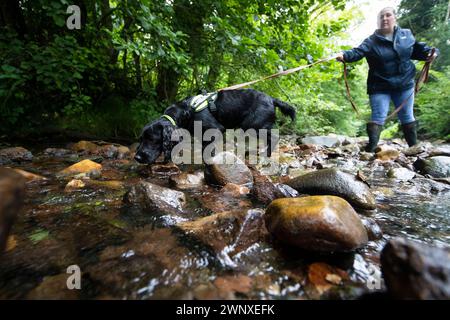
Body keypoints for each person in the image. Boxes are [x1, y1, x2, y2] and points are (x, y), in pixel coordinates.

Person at [336, 7, 438, 152]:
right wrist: (343, 55)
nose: (384, 18)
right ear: (378, 21)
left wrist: (432, 53)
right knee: (378, 116)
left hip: (405, 84)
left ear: (394, 18)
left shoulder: (406, 35)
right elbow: (357, 53)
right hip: (379, 86)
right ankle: (371, 151)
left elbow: (419, 51)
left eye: (388, 15)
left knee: (407, 116)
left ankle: (414, 149)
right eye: (381, 16)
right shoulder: (371, 41)